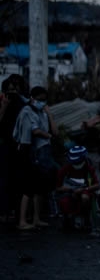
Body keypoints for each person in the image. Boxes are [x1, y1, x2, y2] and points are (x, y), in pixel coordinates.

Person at [13, 86, 58, 231]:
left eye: (44, 99)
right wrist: (48, 135)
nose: (42, 102)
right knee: (28, 187)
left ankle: (36, 218)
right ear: (32, 98)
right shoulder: (27, 112)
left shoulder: (42, 112)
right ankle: (22, 221)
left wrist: (49, 116)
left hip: (38, 151)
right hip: (28, 151)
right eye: (39, 99)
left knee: (38, 186)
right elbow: (35, 131)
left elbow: (52, 130)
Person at [0, 75, 28, 223]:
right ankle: (4, 213)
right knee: (4, 180)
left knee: (18, 180)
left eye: (15, 89)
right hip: (5, 146)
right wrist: (4, 106)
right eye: (9, 89)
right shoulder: (3, 103)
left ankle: (18, 213)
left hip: (20, 147)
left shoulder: (24, 104)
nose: (13, 92)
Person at [55, 146, 100, 231]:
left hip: (85, 192)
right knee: (64, 202)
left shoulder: (89, 168)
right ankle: (67, 220)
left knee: (85, 198)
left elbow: (97, 185)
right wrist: (70, 190)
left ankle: (86, 219)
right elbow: (58, 188)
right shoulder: (65, 169)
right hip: (69, 193)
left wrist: (85, 189)